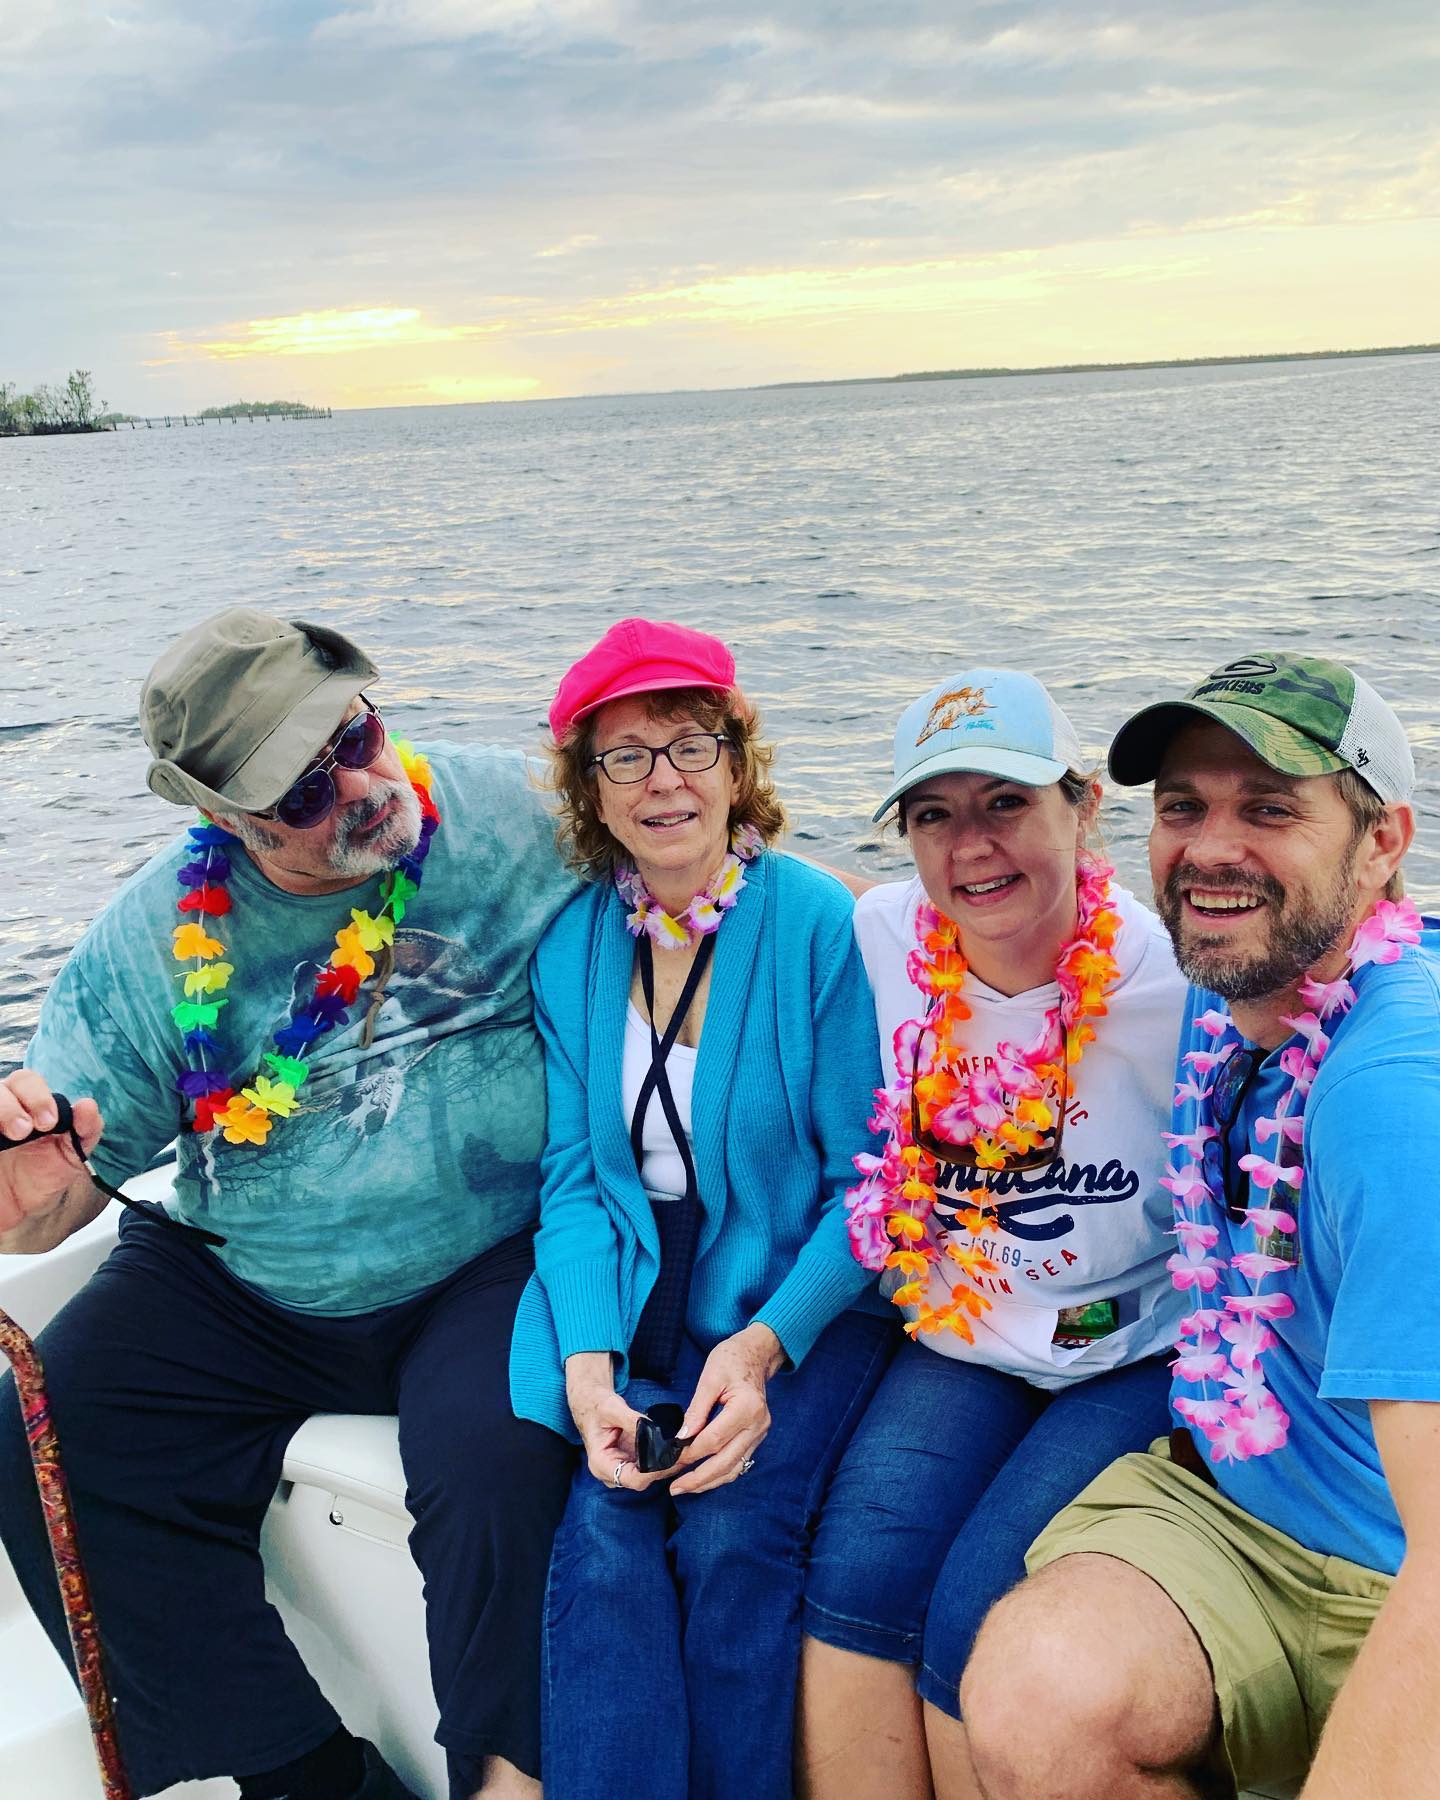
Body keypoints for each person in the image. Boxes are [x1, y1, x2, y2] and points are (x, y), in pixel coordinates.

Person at [0, 609, 580, 1800]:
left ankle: (505, 1784)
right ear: (226, 820)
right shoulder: (151, 943)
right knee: (42, 1426)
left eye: (356, 737)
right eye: (304, 792)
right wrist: (29, 1199)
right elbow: (49, 1206)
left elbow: (727, 866)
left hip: (486, 1256)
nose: (359, 785)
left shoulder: (524, 811)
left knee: (496, 1460)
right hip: (247, 1273)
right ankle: (307, 1780)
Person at [958, 653, 1436, 1800]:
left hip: (1402, 1572)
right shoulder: (1231, 1002)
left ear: (1382, 841)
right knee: (1035, 1695)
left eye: (1270, 809)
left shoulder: (1394, 1095)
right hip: (1242, 1521)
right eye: (1183, 808)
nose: (1211, 849)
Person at [506, 617, 896, 1800]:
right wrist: (589, 1372)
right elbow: (578, 1182)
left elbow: (870, 1185)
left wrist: (765, 1346)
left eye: (690, 744)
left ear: (736, 764)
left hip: (800, 1297)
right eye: (626, 757)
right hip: (639, 1296)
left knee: (732, 1530)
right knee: (604, 1539)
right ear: (591, 790)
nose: (664, 779)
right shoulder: (573, 948)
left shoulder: (815, 924)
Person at [798, 669, 1190, 1800]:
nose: (972, 845)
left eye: (1007, 802)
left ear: (1085, 807)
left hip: (1136, 1349)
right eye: (935, 815)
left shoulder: (1178, 980)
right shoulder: (881, 937)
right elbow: (748, 875)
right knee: (852, 1581)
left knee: (980, 1606)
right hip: (964, 1335)